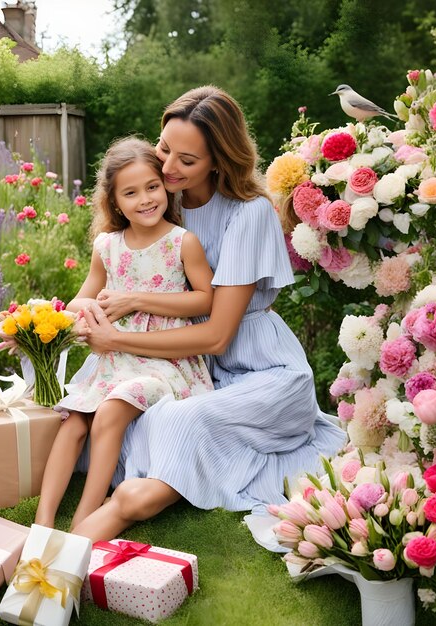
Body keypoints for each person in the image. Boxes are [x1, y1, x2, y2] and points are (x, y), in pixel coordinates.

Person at [68, 86, 347, 542]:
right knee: (125, 408)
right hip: (192, 369)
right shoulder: (162, 200)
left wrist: (118, 336)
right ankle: (104, 512)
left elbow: (217, 336)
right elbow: (105, 279)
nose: (168, 167)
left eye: (187, 160)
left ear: (218, 160)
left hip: (262, 371)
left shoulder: (249, 213)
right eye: (164, 149)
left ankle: (102, 523)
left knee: (177, 421)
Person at [35, 137, 215, 529]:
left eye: (152, 187)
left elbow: (204, 300)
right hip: (115, 359)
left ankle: (86, 516)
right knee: (74, 422)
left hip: (163, 361)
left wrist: (136, 300)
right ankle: (43, 519)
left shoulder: (181, 242)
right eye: (131, 193)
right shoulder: (107, 246)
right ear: (116, 202)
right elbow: (80, 300)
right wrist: (64, 314)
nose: (146, 199)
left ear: (165, 187)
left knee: (112, 410)